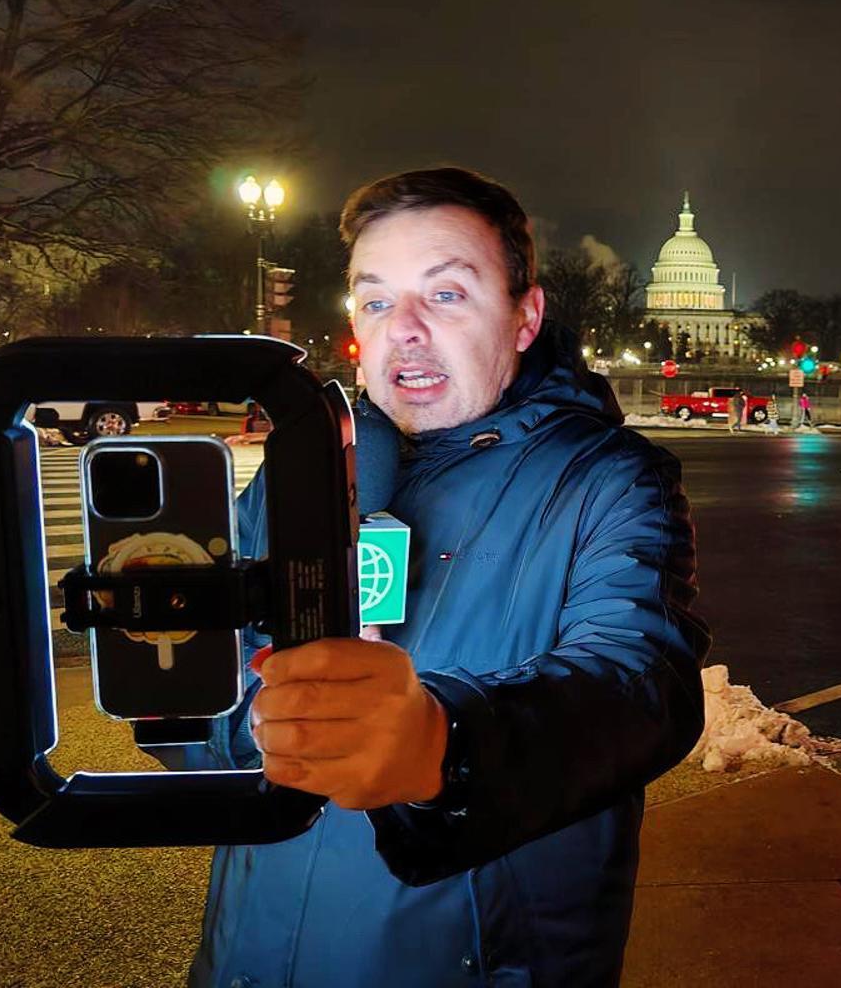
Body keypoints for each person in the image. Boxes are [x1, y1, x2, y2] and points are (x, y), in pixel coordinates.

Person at [189, 167, 710, 988]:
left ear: (525, 316)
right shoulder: (306, 469)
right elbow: (205, 693)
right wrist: (254, 720)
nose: (404, 331)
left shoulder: (608, 480)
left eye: (447, 296)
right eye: (375, 300)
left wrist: (443, 745)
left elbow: (641, 686)